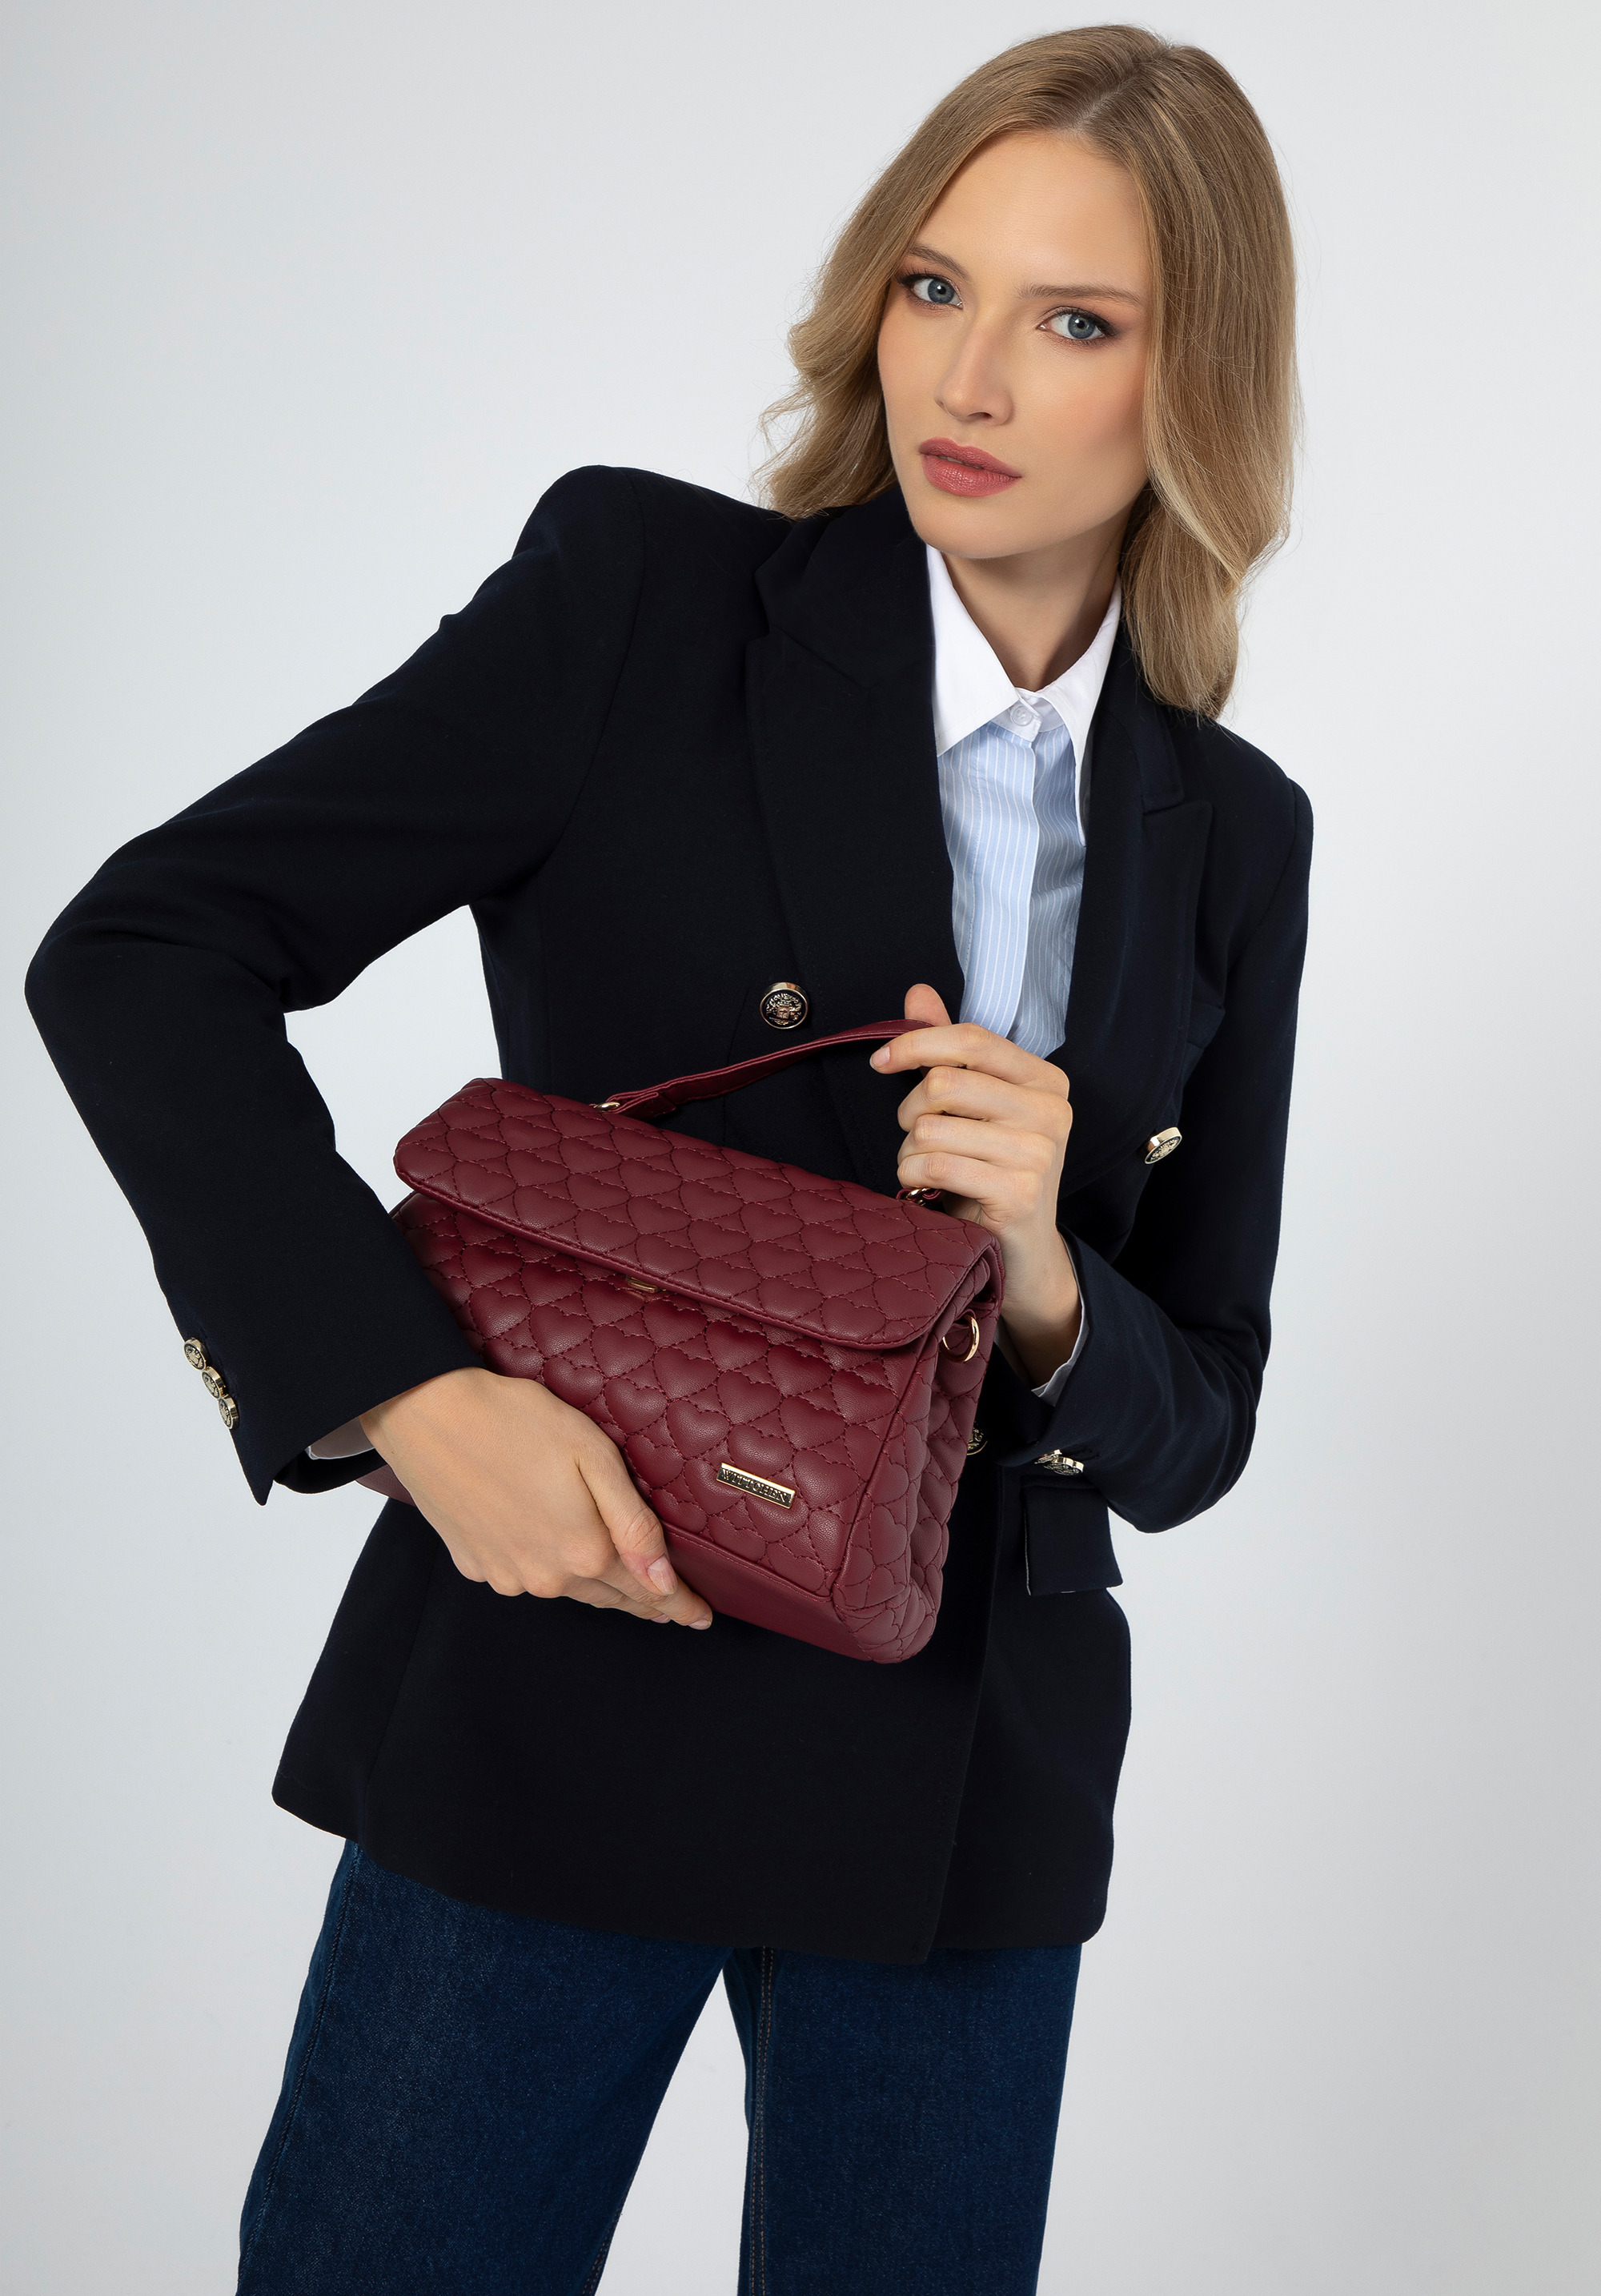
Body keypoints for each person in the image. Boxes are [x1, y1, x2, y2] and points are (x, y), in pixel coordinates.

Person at [26, 24, 1310, 2294]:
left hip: (968, 1784)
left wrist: (1044, 1279)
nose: (971, 378)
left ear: (1193, 385)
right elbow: (144, 952)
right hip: (575, 1655)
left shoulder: (1232, 828)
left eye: (1074, 321)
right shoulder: (649, 597)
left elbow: (1198, 1418)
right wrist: (411, 1400)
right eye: (936, 287)